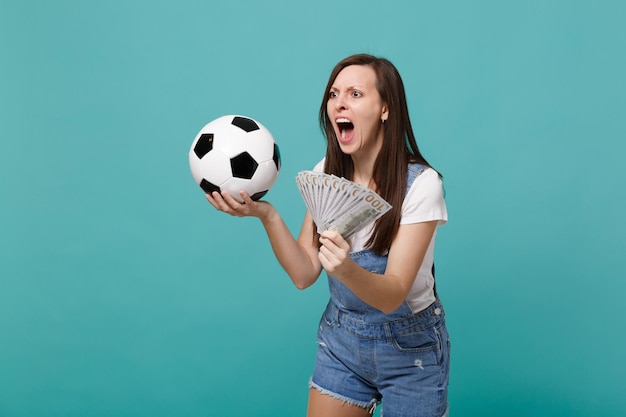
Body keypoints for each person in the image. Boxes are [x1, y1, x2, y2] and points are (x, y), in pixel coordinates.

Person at [206, 53, 450, 417]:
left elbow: (393, 294)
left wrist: (344, 269)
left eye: (355, 94)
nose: (339, 103)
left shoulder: (421, 184)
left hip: (409, 350)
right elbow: (304, 274)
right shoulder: (328, 172)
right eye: (334, 94)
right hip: (342, 341)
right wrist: (267, 215)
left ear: (385, 108)